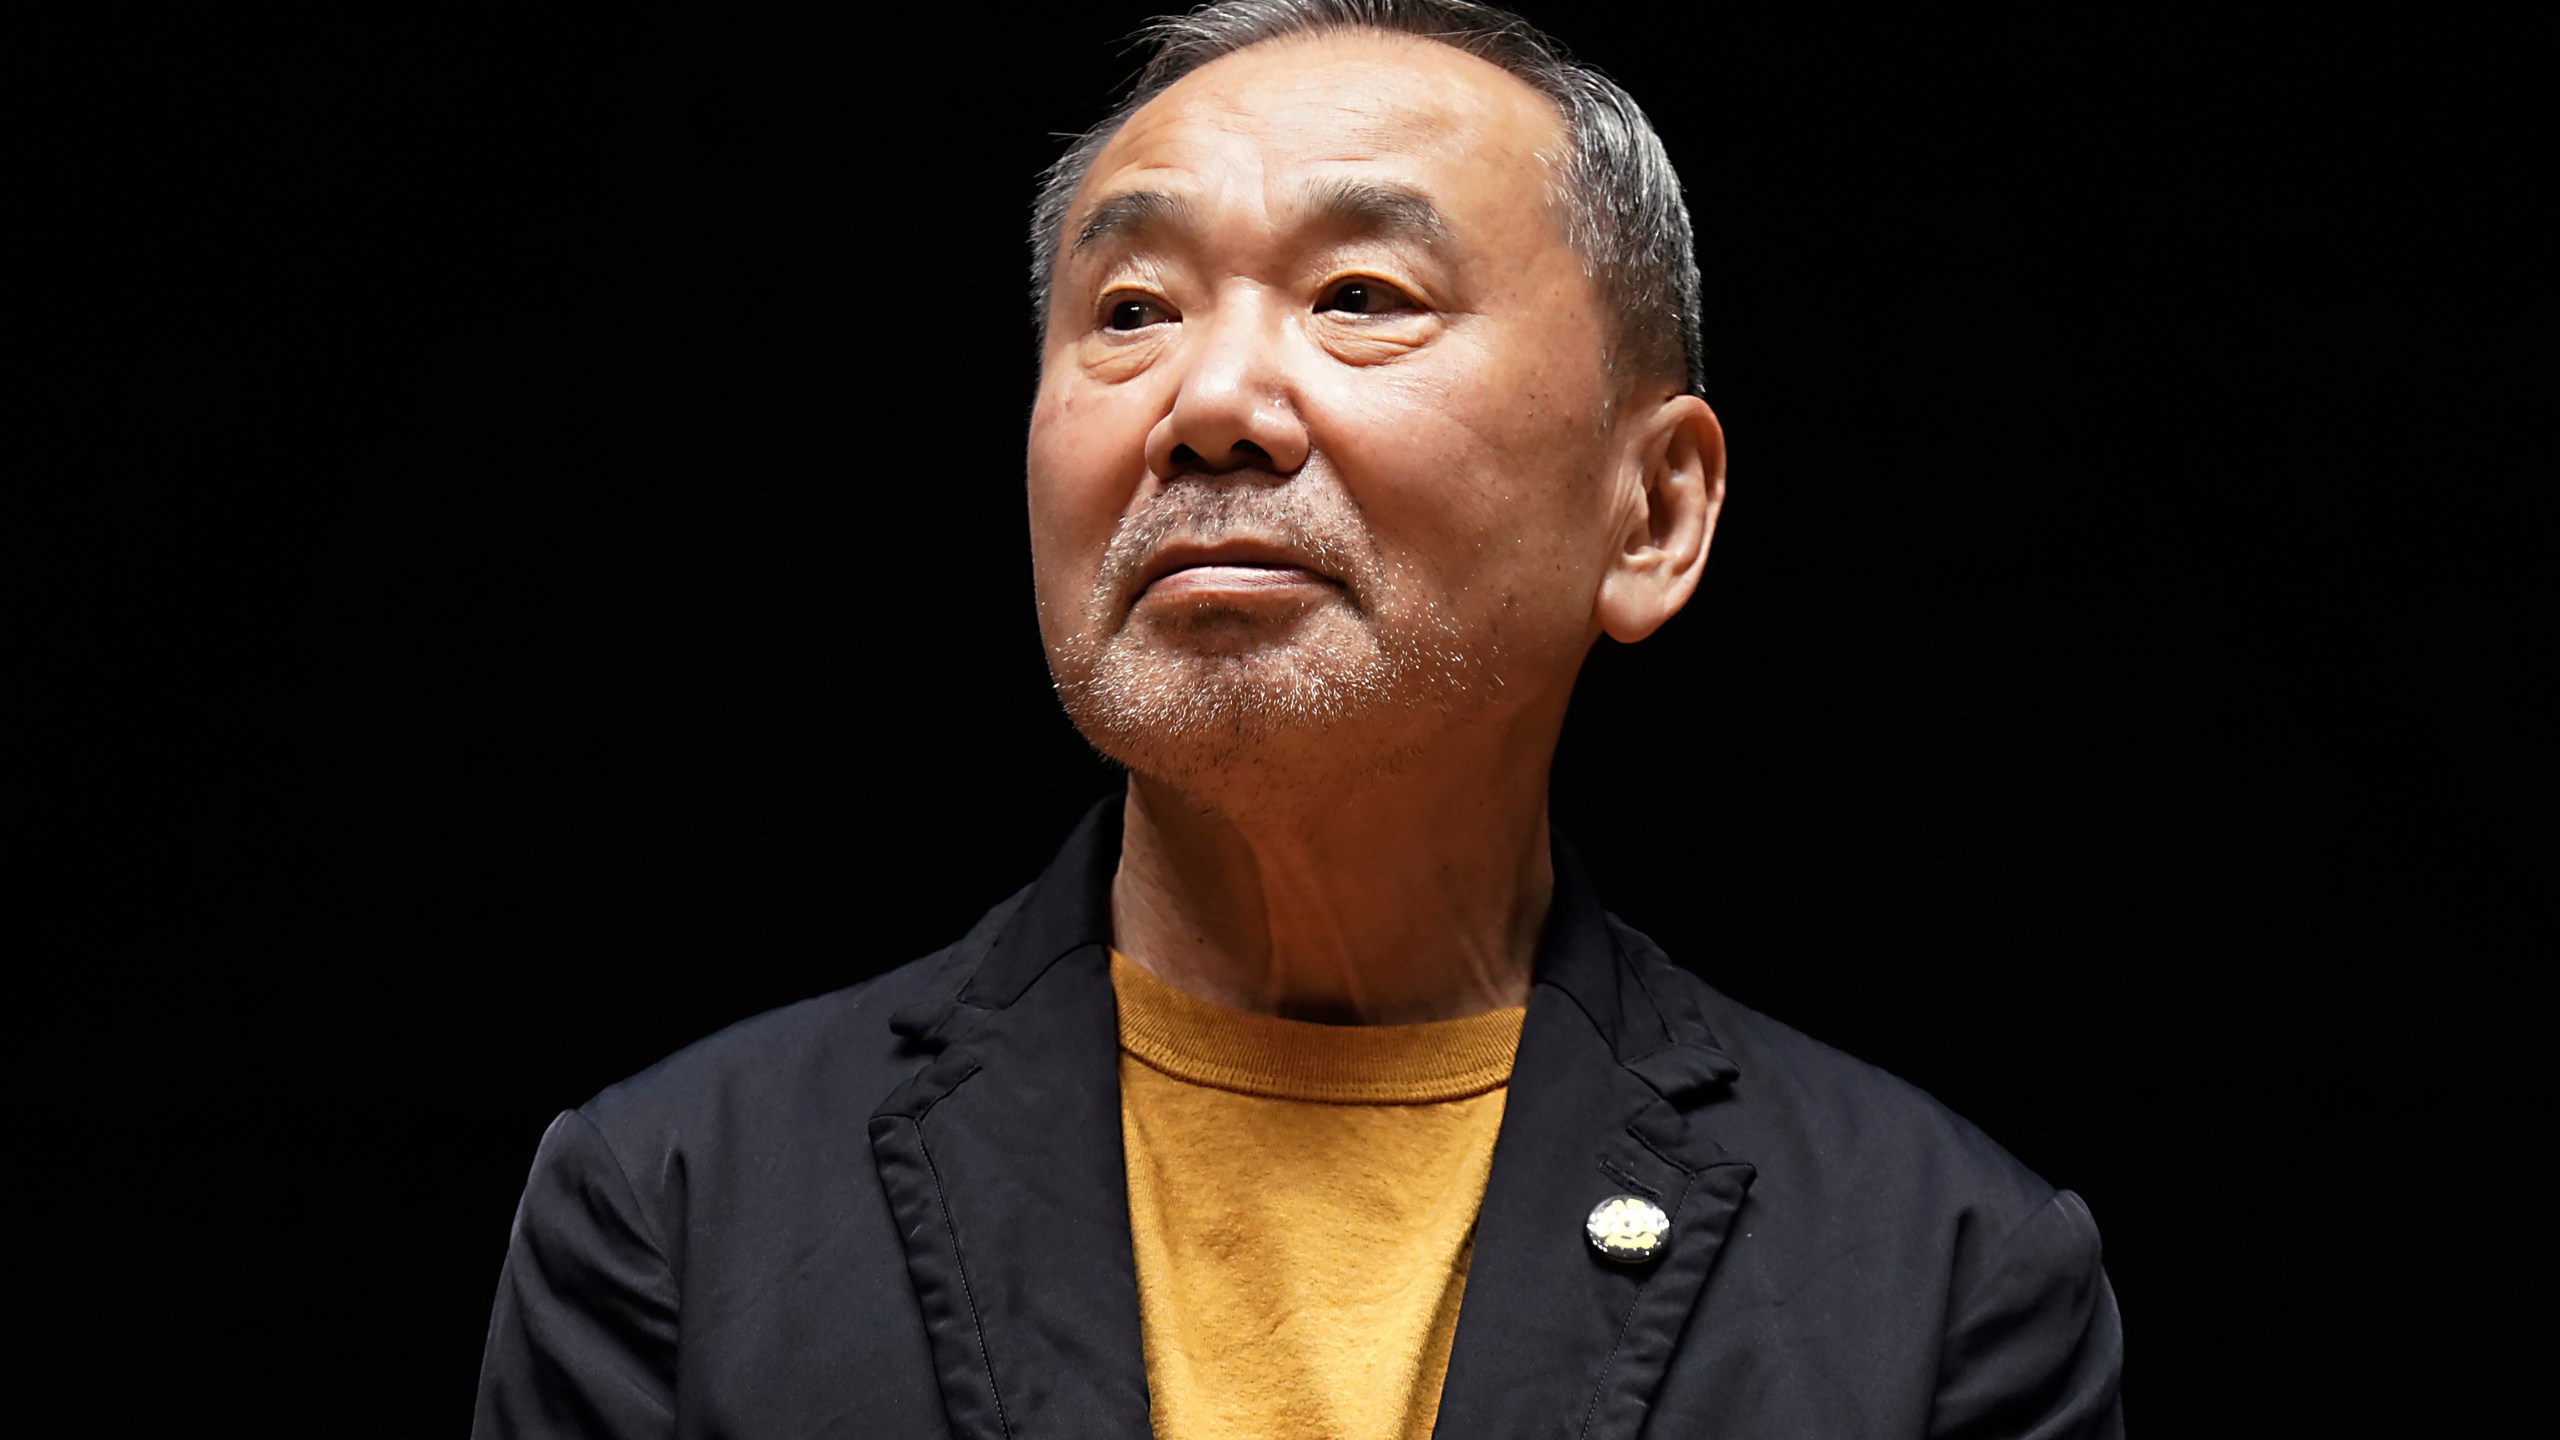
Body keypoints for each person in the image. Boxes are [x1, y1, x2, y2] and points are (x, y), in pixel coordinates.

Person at [471, 2, 2124, 1435]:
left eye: (1357, 293)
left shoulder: (1937, 1278)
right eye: (1129, 313)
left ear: (1653, 510)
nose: (1211, 406)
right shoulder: (686, 1214)